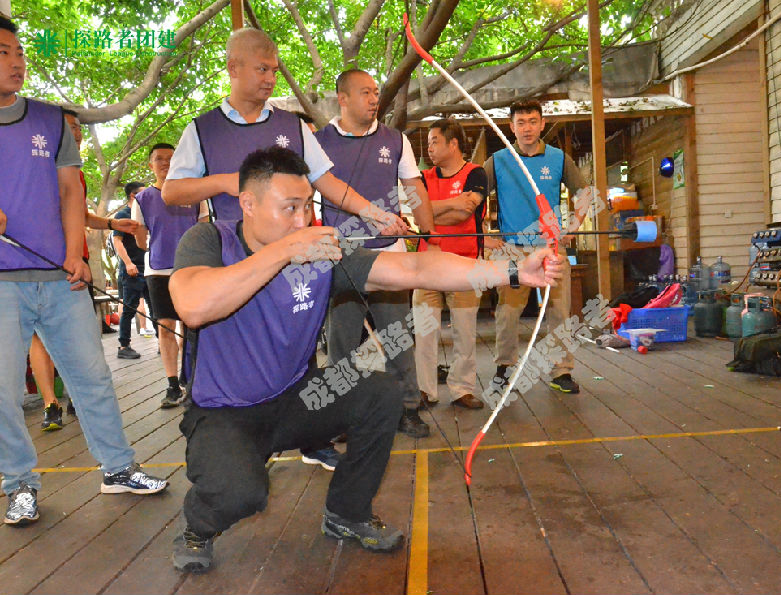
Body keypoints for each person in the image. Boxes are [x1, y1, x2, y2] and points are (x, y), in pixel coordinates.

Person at [167, 146, 561, 572]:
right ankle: (198, 527)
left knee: (380, 392)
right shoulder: (210, 240)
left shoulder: (319, 255)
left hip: (297, 397)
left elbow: (414, 270)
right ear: (248, 203)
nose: (302, 220)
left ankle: (347, 513)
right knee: (242, 494)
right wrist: (284, 251)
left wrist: (513, 271)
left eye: (307, 207)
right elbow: (194, 306)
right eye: (290, 208)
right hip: (224, 409)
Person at [0, 15, 167, 526]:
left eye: (19, 52)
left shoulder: (51, 120)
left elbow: (71, 192)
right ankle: (19, 484)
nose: (17, 62)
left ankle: (118, 468)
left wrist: (76, 252)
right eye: (4, 53)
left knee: (93, 377)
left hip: (61, 277)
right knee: (3, 393)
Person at [161, 28, 405, 240]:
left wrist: (376, 215)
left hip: (293, 258)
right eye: (262, 69)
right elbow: (171, 192)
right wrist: (224, 182)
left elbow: (328, 182)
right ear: (233, 68)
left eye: (274, 71)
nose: (271, 79)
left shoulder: (293, 126)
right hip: (233, 259)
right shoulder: (203, 129)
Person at [314, 69, 436, 438]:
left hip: (389, 256)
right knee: (342, 344)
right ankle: (341, 416)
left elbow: (413, 185)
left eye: (375, 92)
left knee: (398, 337)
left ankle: (407, 408)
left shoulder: (395, 140)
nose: (374, 99)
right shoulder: (317, 142)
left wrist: (429, 232)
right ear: (343, 98)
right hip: (342, 257)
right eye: (365, 92)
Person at [34, 109, 142, 429]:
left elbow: (80, 215)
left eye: (79, 127)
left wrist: (111, 223)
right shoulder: (37, 167)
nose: (77, 133)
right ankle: (50, 404)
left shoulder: (76, 172)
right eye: (70, 127)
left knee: (80, 336)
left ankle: (78, 399)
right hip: (43, 264)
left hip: (76, 264)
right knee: (40, 337)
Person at [483, 99, 590, 395]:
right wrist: (485, 236)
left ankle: (561, 371)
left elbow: (584, 193)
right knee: (507, 312)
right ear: (511, 127)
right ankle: (505, 368)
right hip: (512, 249)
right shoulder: (498, 160)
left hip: (551, 248)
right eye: (521, 122)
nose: (527, 128)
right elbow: (475, 197)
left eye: (532, 121)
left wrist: (573, 226)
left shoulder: (558, 158)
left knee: (560, 310)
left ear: (542, 124)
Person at [413, 119, 487, 410]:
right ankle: (425, 390)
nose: (429, 147)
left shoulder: (476, 173)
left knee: (465, 331)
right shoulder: (421, 177)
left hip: (464, 264)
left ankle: (462, 389)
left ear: (453, 143)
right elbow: (417, 216)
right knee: (424, 332)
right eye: (429, 142)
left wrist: (430, 211)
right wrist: (451, 204)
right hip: (427, 265)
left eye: (434, 141)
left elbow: (465, 212)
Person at [133, 143, 198, 408]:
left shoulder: (195, 192)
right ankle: (173, 385)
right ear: (151, 165)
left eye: (170, 158)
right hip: (158, 270)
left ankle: (192, 380)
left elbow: (204, 227)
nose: (165, 163)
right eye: (159, 158)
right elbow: (140, 240)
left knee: (192, 326)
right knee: (166, 326)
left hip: (192, 268)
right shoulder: (142, 199)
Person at [112, 181, 150, 359]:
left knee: (155, 307)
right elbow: (117, 241)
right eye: (144, 193)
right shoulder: (123, 215)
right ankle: (124, 346)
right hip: (132, 269)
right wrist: (128, 263)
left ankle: (163, 341)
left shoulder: (147, 214)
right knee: (129, 308)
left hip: (149, 267)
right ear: (133, 196)